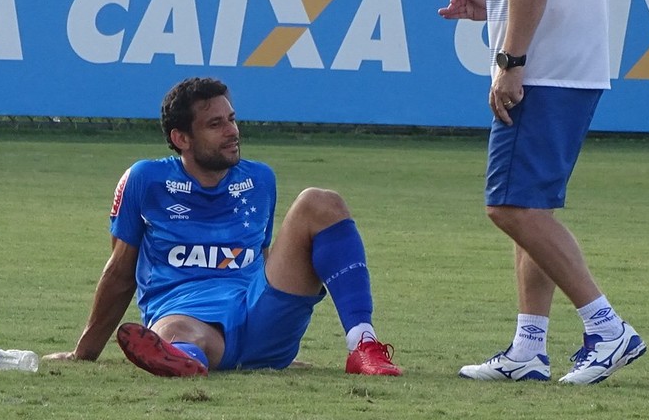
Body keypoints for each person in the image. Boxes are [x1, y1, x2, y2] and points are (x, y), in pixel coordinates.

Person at [437, 0, 646, 385]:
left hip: (546, 64)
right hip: (576, 59)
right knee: (529, 205)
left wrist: (511, 59)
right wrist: (492, 3)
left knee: (510, 207)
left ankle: (608, 327)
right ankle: (528, 348)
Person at [44, 76, 401, 377]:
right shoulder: (145, 179)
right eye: (216, 125)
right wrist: (84, 353)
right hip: (186, 313)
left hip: (259, 309)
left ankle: (363, 346)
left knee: (319, 202)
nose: (232, 132)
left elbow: (265, 259)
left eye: (232, 119)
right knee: (174, 331)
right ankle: (186, 360)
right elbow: (121, 273)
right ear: (181, 138)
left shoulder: (260, 178)